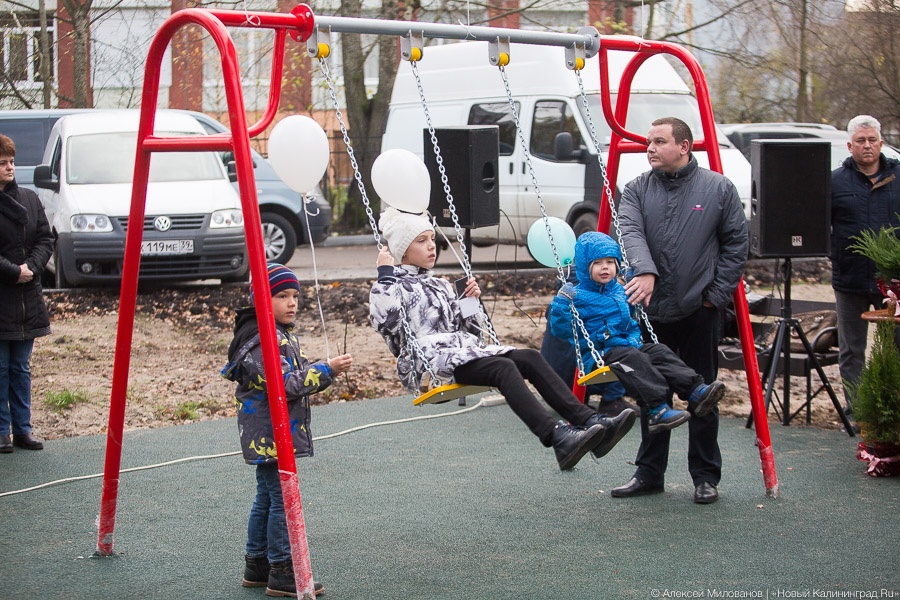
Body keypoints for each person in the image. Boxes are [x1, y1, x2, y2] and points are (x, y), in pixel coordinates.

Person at [369, 207, 636, 471]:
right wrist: (385, 275)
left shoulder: (441, 284)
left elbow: (470, 333)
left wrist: (469, 302)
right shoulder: (389, 286)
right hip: (427, 363)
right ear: (402, 250)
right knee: (503, 368)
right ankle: (557, 437)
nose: (431, 246)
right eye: (421, 241)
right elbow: (387, 324)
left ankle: (589, 420)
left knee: (529, 357)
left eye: (431, 239)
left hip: (458, 353)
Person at [615, 117, 748, 504]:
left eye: (659, 141)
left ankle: (705, 477)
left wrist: (715, 295)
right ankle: (649, 473)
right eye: (648, 141)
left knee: (701, 390)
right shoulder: (637, 189)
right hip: (652, 309)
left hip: (698, 308)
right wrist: (645, 271)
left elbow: (736, 244)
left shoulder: (718, 188)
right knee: (651, 392)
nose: (650, 148)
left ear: (684, 146)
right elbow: (629, 232)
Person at [221, 263, 352, 597]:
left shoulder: (280, 335)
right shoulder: (261, 340)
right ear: (263, 299)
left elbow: (299, 378)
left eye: (295, 295)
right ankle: (281, 569)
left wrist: (322, 371)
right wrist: (327, 370)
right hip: (269, 433)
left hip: (273, 431)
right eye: (282, 295)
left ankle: (257, 564)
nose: (292, 302)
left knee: (267, 496)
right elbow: (284, 385)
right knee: (279, 498)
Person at [548, 231, 727, 434]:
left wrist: (634, 326)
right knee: (632, 357)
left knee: (658, 351)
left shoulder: (620, 290)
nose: (605, 267)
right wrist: (561, 304)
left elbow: (631, 321)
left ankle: (695, 390)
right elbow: (560, 330)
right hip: (601, 354)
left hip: (628, 345)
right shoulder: (576, 297)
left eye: (610, 261)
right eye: (598, 263)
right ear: (584, 266)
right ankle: (657, 409)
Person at [831, 115, 900, 423]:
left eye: (872, 140)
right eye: (861, 141)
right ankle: (859, 412)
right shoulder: (835, 182)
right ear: (850, 146)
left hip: (894, 282)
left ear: (881, 143)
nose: (867, 146)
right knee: (851, 349)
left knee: (895, 347)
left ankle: (893, 411)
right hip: (850, 278)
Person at [0, 133, 53, 454]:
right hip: (3, 295)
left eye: (11, 162)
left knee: (20, 367)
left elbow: (45, 238)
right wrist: (12, 271)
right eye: (3, 163)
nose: (9, 168)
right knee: (0, 368)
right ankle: (1, 431)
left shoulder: (30, 200)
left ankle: (23, 429)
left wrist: (31, 267)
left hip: (26, 299)